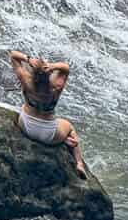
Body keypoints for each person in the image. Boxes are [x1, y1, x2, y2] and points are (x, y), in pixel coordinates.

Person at [8, 50, 88, 178]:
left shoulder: (26, 81)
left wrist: (28, 59)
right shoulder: (56, 87)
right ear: (49, 73)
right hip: (49, 135)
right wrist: (53, 66)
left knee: (24, 107)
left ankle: (64, 139)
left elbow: (13, 55)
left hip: (26, 126)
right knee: (69, 126)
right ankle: (79, 163)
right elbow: (66, 68)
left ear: (33, 72)